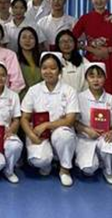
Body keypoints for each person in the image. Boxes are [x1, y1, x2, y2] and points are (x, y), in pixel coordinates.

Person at [20, 52, 79, 187]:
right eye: (44, 68)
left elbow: (70, 120)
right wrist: (30, 135)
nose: (48, 72)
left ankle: (64, 169)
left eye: (53, 68)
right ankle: (47, 163)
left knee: (64, 136)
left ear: (60, 71)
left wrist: (47, 125)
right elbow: (24, 117)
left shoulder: (69, 91)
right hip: (39, 134)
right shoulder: (34, 90)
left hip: (60, 131)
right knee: (39, 160)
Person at [75, 62, 112, 185]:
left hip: (105, 137)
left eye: (99, 76)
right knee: (88, 170)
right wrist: (86, 130)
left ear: (105, 78)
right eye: (92, 76)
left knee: (107, 144)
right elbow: (74, 122)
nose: (96, 80)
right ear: (86, 78)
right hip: (86, 138)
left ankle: (108, 170)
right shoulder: (79, 98)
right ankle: (96, 161)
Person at [16, 26, 42, 100]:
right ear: (19, 40)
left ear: (36, 41)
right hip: (22, 99)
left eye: (31, 38)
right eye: (24, 37)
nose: (27, 40)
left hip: (41, 99)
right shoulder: (14, 59)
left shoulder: (42, 59)